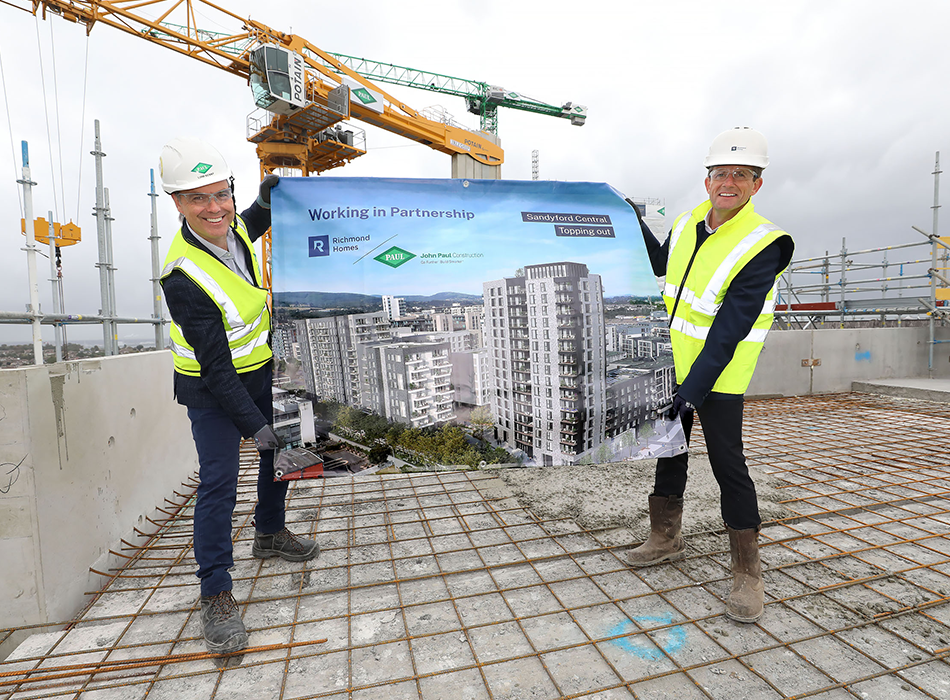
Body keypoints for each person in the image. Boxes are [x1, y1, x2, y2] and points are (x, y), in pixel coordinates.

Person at [159, 137, 319, 654]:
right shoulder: (182, 275)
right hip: (211, 388)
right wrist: (254, 423)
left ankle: (270, 533)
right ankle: (216, 593)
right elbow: (216, 369)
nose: (215, 208)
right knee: (219, 482)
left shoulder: (232, 230)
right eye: (198, 199)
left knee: (280, 457)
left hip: (259, 370)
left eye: (220, 195)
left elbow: (249, 223)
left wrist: (266, 201)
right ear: (178, 204)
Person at [627, 127, 794, 624]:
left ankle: (748, 571)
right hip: (675, 368)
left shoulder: (765, 242)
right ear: (707, 180)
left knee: (728, 464)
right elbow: (659, 264)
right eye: (720, 172)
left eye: (740, 174)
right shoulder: (687, 223)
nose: (728, 182)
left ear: (756, 184)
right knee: (670, 453)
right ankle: (666, 537)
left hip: (719, 376)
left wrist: (691, 390)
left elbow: (730, 328)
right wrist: (631, 219)